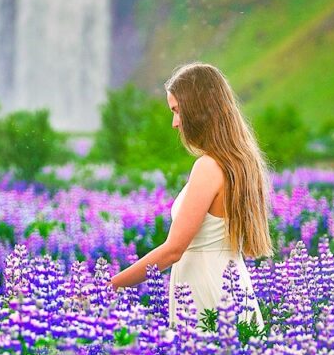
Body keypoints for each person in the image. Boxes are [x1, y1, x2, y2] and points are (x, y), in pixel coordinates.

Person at [109, 61, 273, 328]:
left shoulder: (209, 166)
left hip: (207, 295)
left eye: (177, 111)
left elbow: (173, 250)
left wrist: (111, 285)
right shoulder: (238, 162)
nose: (175, 123)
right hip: (234, 292)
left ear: (197, 110)